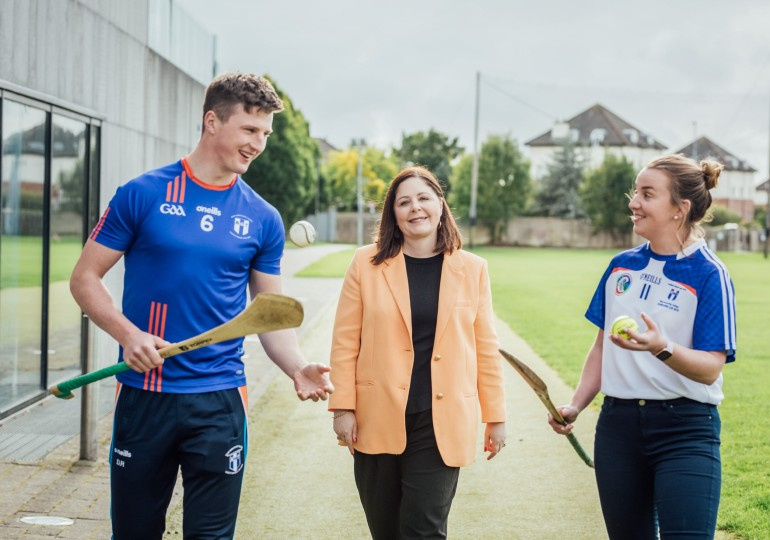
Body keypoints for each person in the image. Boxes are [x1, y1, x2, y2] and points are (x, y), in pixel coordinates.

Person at [69, 72, 333, 540]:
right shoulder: (143, 194)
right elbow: (85, 279)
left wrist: (295, 366)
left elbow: (269, 315)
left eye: (266, 134)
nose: (259, 144)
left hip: (220, 400)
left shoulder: (262, 218)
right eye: (250, 130)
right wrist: (128, 335)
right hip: (145, 396)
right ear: (212, 121)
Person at [549, 154, 737, 539]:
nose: (633, 202)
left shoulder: (709, 274)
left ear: (679, 209)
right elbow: (602, 347)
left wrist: (661, 347)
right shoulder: (621, 266)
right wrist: (576, 405)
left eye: (647, 194)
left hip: (685, 430)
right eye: (635, 191)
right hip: (617, 429)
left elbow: (710, 367)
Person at [329, 166, 507, 539]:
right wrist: (343, 408)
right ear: (393, 213)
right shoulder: (366, 263)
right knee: (386, 530)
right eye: (404, 202)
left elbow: (486, 348)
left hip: (441, 419)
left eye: (424, 198)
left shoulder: (473, 269)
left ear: (441, 205)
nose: (415, 208)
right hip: (377, 416)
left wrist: (496, 416)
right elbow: (346, 341)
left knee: (423, 530)